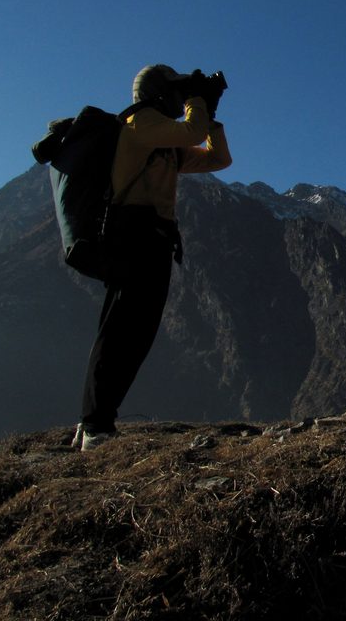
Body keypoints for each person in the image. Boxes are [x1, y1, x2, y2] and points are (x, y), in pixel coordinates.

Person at [72, 64, 232, 451]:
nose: (181, 99)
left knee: (137, 332)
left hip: (155, 240)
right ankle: (94, 424)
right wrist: (198, 101)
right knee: (119, 330)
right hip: (130, 236)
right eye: (176, 91)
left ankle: (98, 422)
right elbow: (191, 131)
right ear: (158, 93)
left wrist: (209, 116)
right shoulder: (139, 123)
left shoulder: (167, 144)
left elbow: (218, 159)